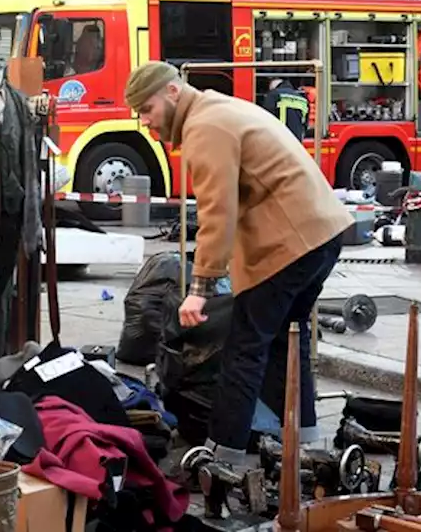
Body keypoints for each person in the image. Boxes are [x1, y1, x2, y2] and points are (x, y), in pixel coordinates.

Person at [123, 61, 352, 467]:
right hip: (321, 233)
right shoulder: (218, 109)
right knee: (286, 337)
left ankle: (221, 456)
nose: (146, 121)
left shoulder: (205, 127)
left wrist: (200, 289)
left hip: (291, 241)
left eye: (147, 109)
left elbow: (218, 212)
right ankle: (300, 442)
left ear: (172, 93)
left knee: (245, 348)